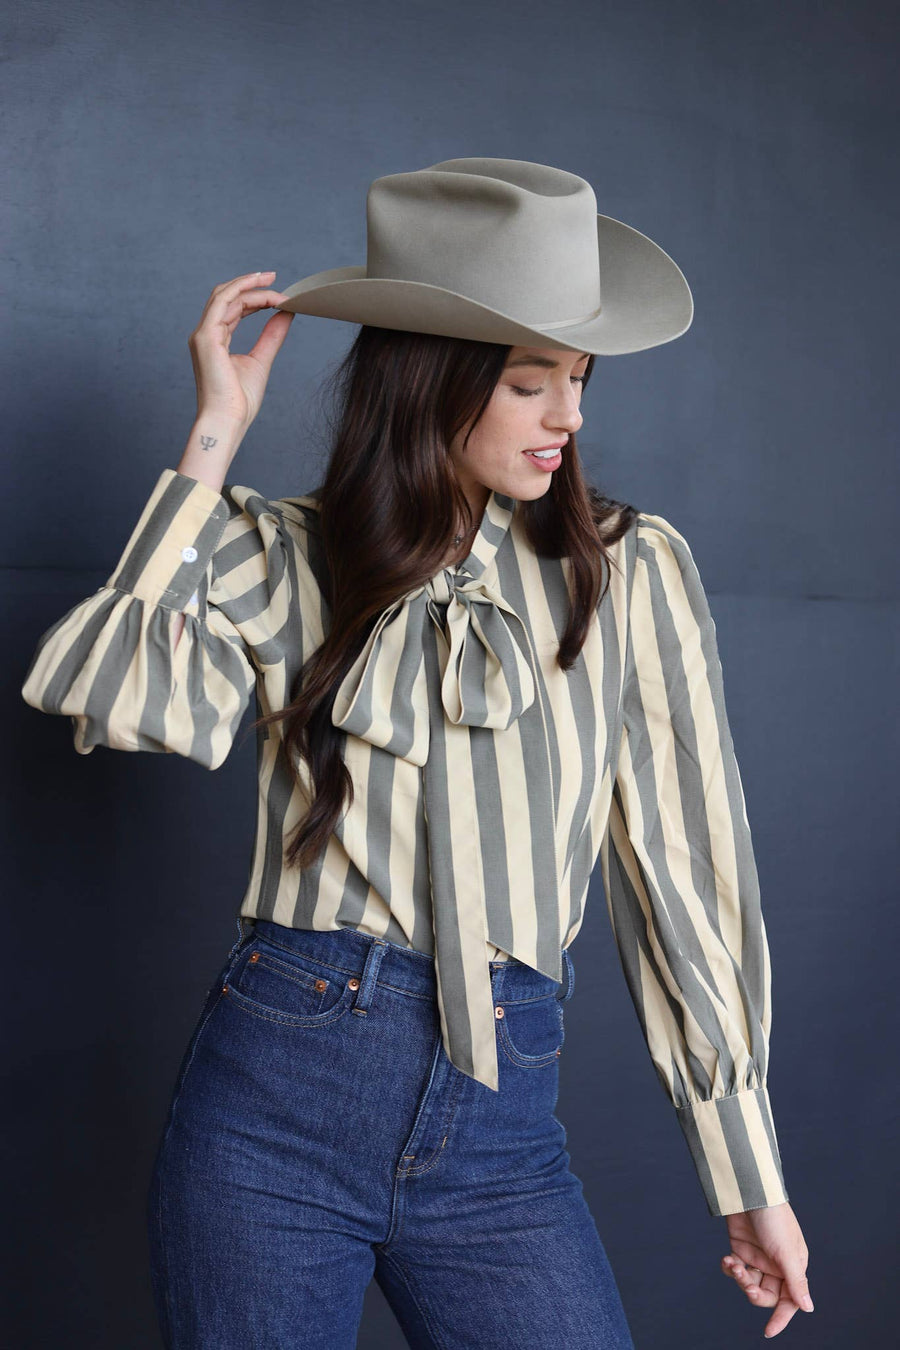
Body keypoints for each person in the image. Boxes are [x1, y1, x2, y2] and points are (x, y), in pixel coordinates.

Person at [20, 158, 813, 1347]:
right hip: (274, 1107)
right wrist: (212, 441)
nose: (571, 418)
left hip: (502, 1135)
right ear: (429, 383)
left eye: (580, 382)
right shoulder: (283, 554)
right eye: (530, 385)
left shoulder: (629, 569)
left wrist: (748, 1171)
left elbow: (684, 878)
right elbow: (117, 700)